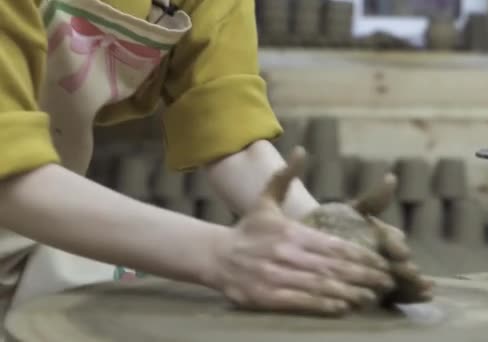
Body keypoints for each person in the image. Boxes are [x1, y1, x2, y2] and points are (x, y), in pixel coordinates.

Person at [0, 0, 422, 328]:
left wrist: (323, 235)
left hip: (36, 223)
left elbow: (231, 136)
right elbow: (9, 173)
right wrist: (219, 254)